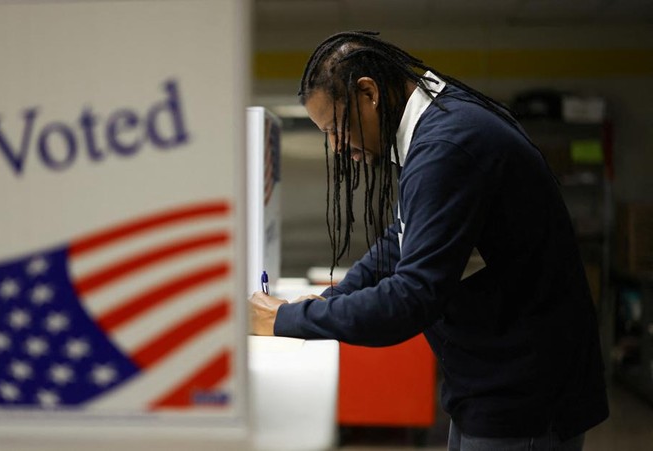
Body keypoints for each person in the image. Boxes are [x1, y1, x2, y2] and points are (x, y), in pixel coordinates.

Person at [248, 31, 609, 450]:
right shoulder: (441, 122)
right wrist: (330, 301)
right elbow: (401, 238)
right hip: (496, 378)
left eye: (335, 128)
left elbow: (411, 299)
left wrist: (285, 320)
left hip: (522, 393)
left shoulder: (447, 147)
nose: (336, 146)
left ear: (369, 94)